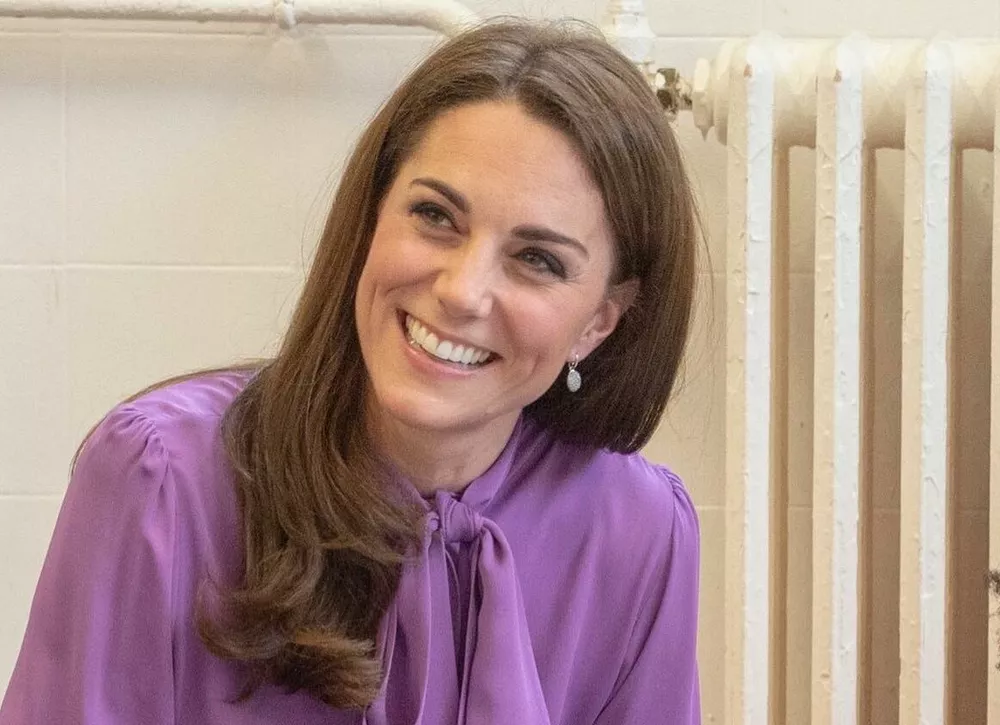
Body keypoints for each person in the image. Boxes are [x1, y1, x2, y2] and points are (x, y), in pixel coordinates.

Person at [0, 17, 701, 725]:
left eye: (537, 259)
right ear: (372, 216)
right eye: (435, 215)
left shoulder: (640, 534)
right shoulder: (161, 481)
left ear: (599, 321)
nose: (462, 291)